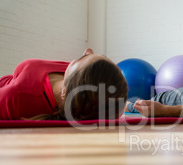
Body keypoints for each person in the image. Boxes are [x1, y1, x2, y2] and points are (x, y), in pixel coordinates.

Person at [0, 49, 128, 120]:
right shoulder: (79, 79)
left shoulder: (17, 97)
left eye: (82, 58)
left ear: (64, 92)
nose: (87, 50)